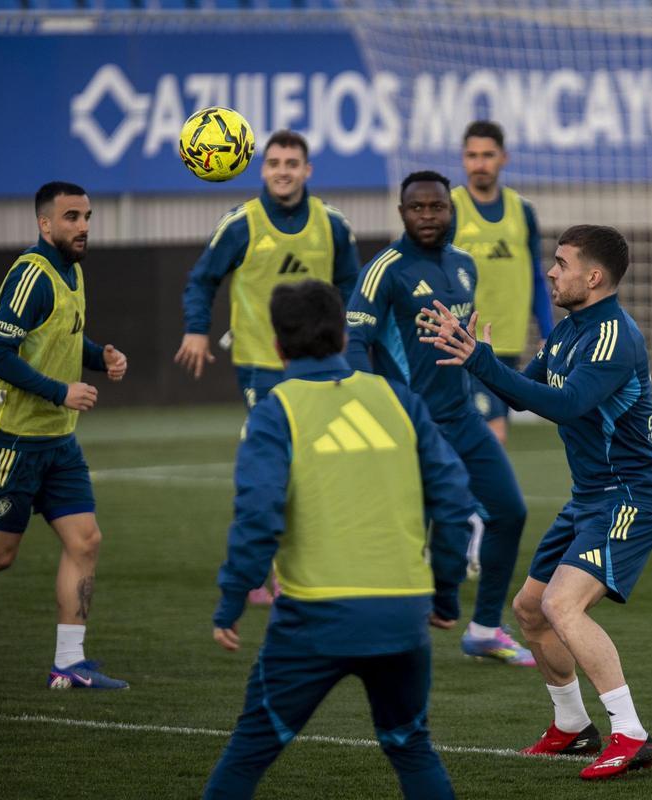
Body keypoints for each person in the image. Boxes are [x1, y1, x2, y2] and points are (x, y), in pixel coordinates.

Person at [420, 224, 652, 780]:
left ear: (594, 276)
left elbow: (567, 404)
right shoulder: (567, 332)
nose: (551, 272)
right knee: (531, 611)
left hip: (629, 498)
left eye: (561, 263)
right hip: (589, 499)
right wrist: (475, 358)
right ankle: (573, 727)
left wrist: (484, 363)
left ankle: (630, 734)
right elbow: (524, 392)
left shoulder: (612, 335)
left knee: (562, 606)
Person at [204, 280, 473, 799]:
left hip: (316, 618)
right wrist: (443, 594)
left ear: (278, 346)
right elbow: (457, 502)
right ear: (342, 334)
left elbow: (258, 516)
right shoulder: (396, 397)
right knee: (411, 747)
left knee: (250, 750)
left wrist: (232, 600)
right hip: (402, 615)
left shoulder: (275, 410)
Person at [345, 171, 533, 666]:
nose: (427, 216)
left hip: (463, 418)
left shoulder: (465, 264)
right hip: (412, 423)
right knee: (419, 527)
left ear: (451, 211)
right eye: (417, 208)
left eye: (437, 207)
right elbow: (355, 343)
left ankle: (485, 628)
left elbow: (462, 342)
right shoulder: (385, 269)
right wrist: (377, 407)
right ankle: (391, 626)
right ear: (402, 212)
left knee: (509, 513)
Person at [175, 129, 360, 605]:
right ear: (262, 169)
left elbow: (352, 292)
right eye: (274, 162)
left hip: (323, 367)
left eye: (291, 163)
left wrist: (354, 351)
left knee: (319, 464)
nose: (282, 170)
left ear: (307, 170)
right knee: (276, 462)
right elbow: (202, 280)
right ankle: (266, 569)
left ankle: (303, 560)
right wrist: (196, 329)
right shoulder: (241, 224)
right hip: (262, 366)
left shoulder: (333, 224)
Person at [0, 181, 129, 690]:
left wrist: (100, 356)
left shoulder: (72, 271)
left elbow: (64, 335)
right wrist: (59, 392)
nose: (83, 226)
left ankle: (68, 665)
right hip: (13, 440)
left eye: (87, 216)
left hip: (59, 443)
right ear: (45, 224)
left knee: (85, 540)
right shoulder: (32, 275)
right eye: (71, 217)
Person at [452, 120, 554, 445]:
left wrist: (547, 333)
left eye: (487, 155)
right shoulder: (450, 209)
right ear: (463, 159)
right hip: (465, 342)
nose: (479, 163)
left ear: (503, 158)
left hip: (509, 342)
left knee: (485, 438)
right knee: (492, 433)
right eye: (472, 155)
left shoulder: (522, 211)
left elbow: (536, 276)